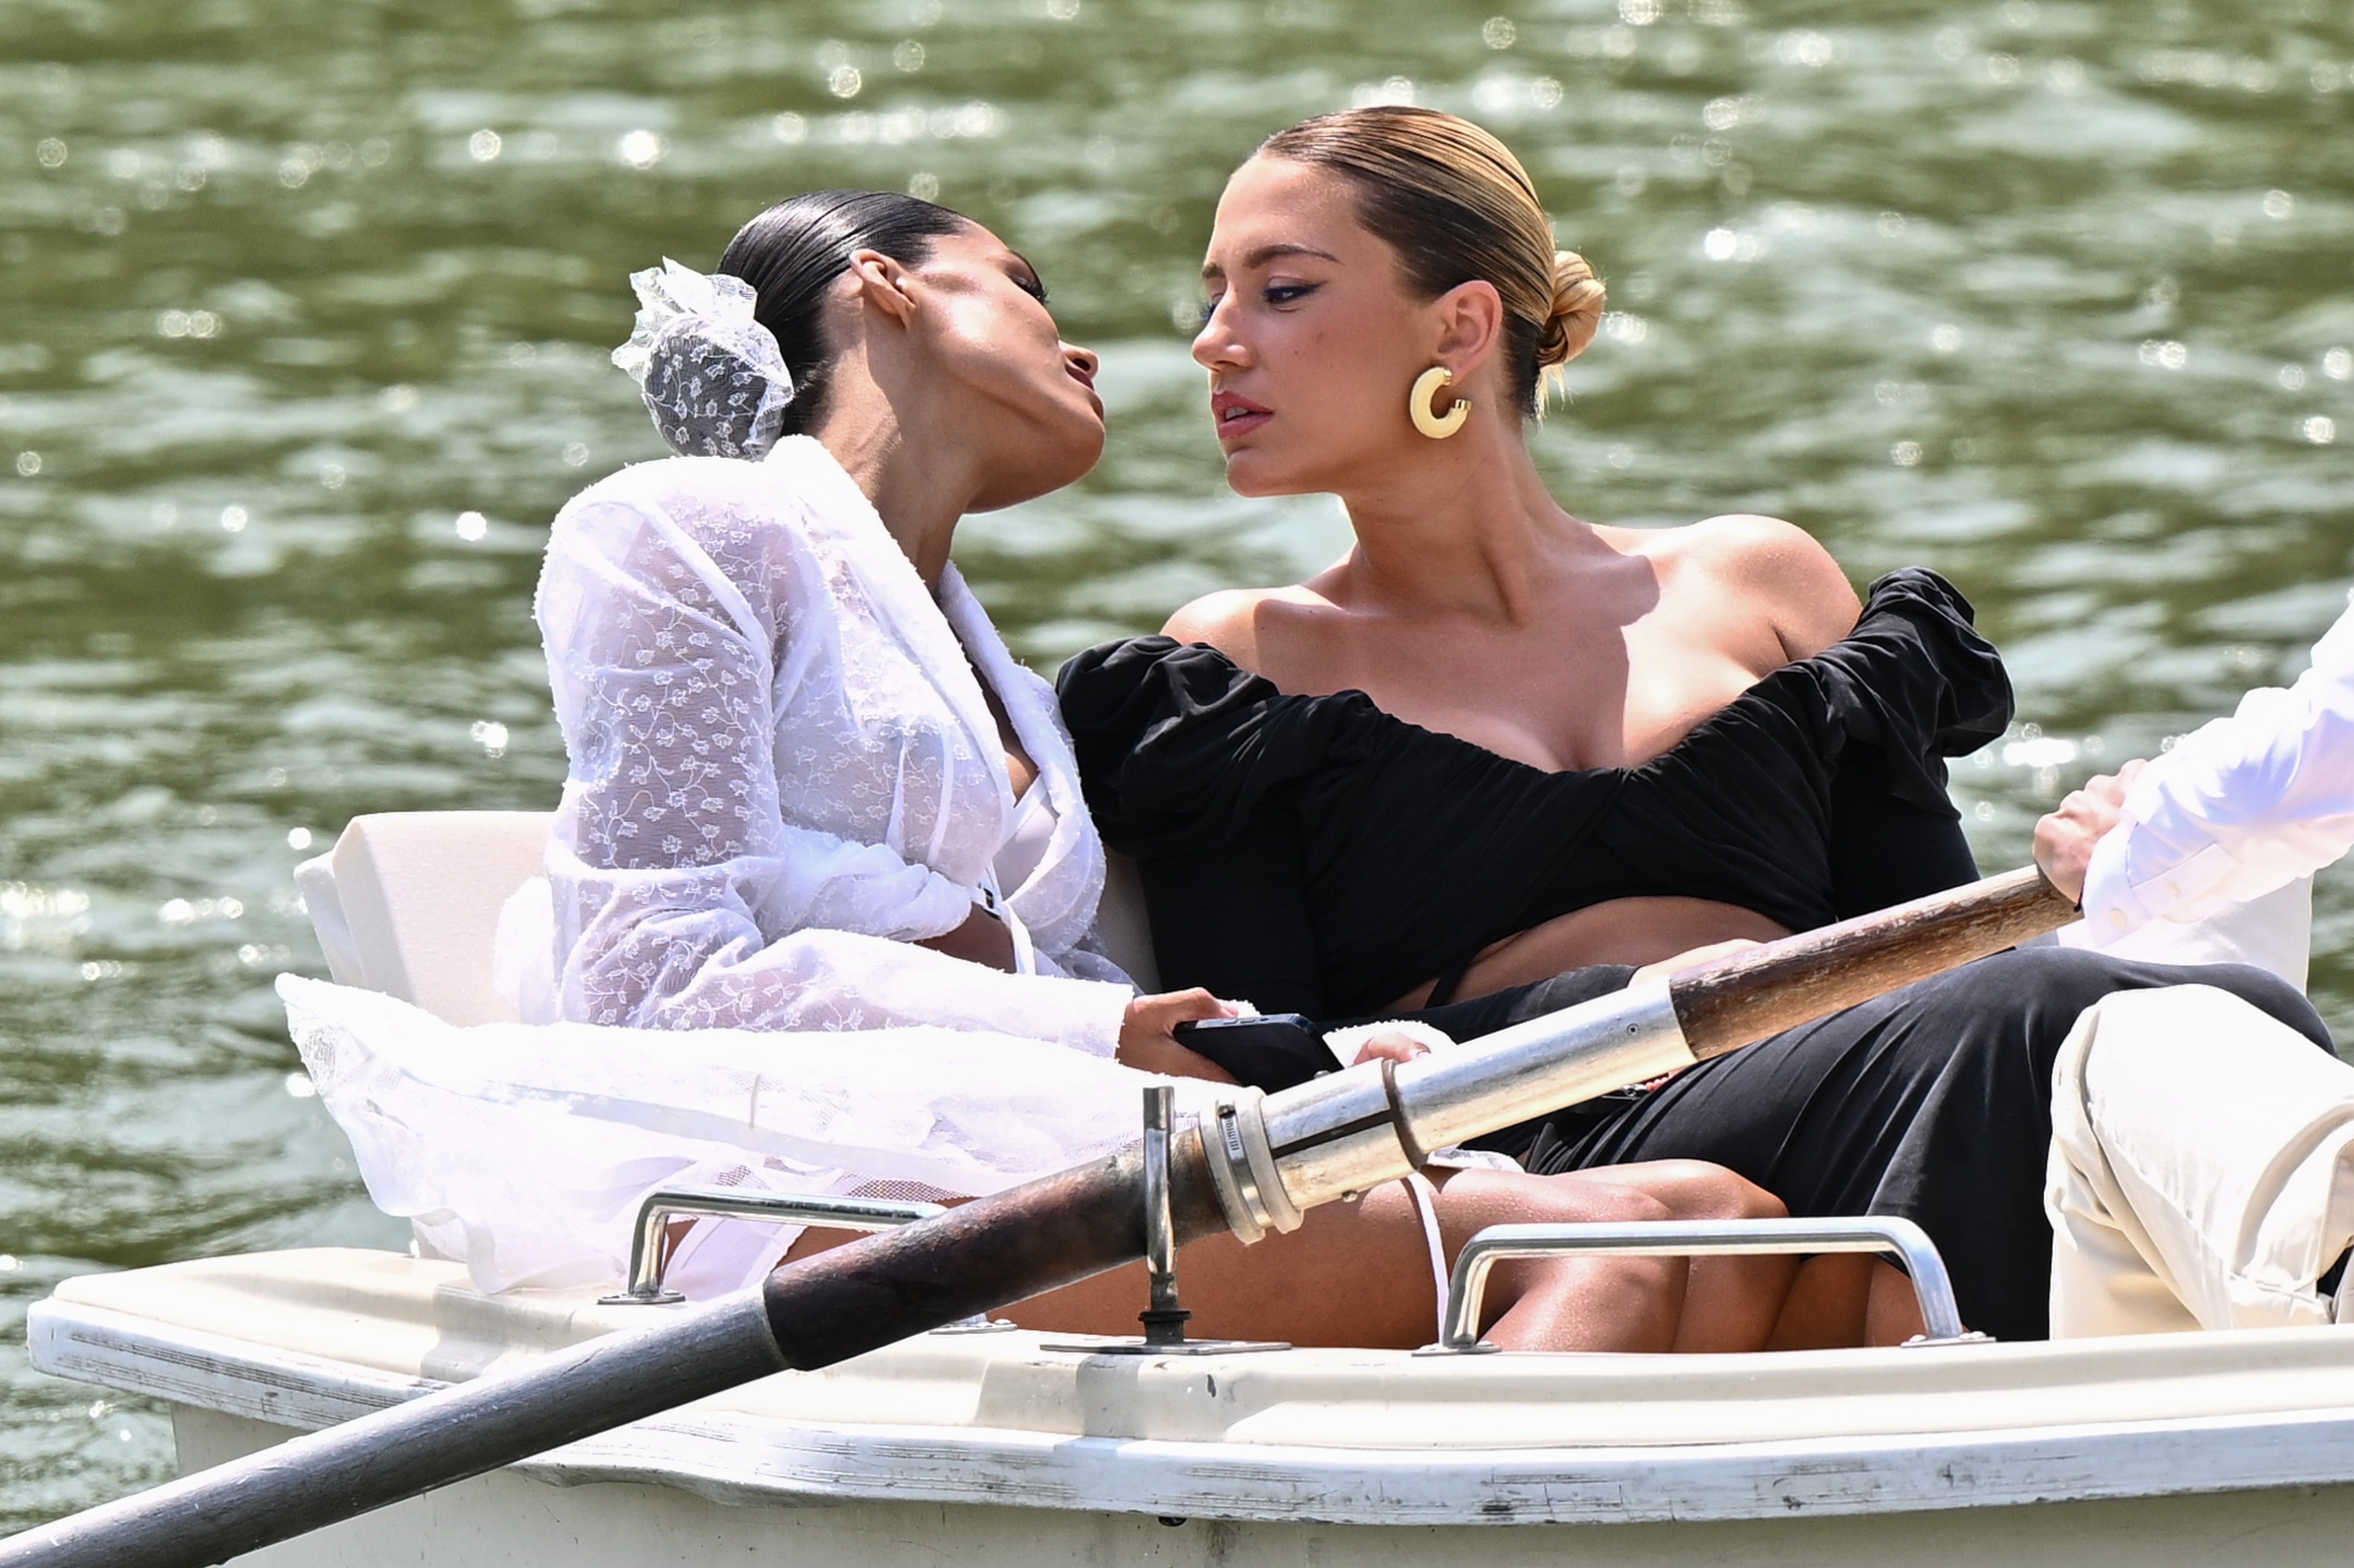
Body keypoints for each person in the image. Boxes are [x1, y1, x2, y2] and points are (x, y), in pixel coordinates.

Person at [1055, 106, 2332, 1344]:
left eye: (1279, 292)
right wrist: (1617, 1004)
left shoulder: (1758, 582)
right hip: (1546, 1151)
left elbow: (1938, 943)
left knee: (2150, 1002)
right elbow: (1279, 1079)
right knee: (2049, 1017)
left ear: (1457, 325)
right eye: (1212, 296)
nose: (1214, 343)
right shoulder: (1234, 667)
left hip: (1883, 1095)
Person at [519, 190, 1811, 1353]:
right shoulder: (678, 529)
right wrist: (1099, 1030)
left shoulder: (1005, 678)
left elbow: (1054, 971)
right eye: (1025, 284)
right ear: (884, 285)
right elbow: (653, 978)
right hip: (789, 1178)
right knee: (1623, 1245)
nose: (1087, 347)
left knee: (1734, 1225)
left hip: (1015, 1145)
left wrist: (1315, 1052)